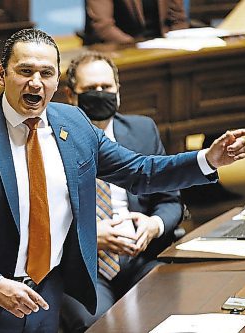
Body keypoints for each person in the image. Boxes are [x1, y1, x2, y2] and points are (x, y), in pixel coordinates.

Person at [0, 28, 245, 333]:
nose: (36, 82)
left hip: (46, 296)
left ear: (57, 80)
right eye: (25, 71)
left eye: (46, 73)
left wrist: (207, 160)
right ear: (2, 74)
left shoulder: (73, 123)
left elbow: (139, 171)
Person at [59, 51, 184, 332]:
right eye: (90, 89)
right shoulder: (50, 143)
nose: (100, 94)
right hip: (83, 266)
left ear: (118, 90)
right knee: (101, 325)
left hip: (140, 258)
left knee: (171, 310)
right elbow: (38, 223)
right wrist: (89, 237)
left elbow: (170, 200)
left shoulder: (142, 130)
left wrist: (154, 225)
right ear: (70, 95)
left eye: (106, 87)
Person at [82, 0, 189, 45]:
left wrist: (178, 44)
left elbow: (178, 19)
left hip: (164, 49)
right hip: (124, 51)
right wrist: (137, 48)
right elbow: (103, 27)